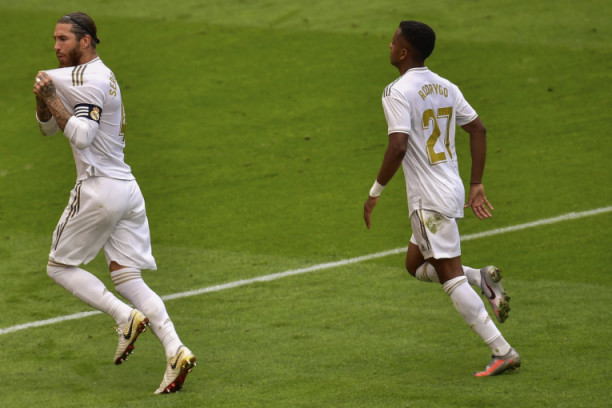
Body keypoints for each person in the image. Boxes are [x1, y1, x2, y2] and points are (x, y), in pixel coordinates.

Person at [33, 12, 196, 393]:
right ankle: (175, 350)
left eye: (63, 39)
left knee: (59, 267)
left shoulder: (88, 80)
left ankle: (124, 317)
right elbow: (47, 128)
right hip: (126, 188)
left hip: (99, 188)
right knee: (127, 276)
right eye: (54, 39)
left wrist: (51, 96)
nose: (56, 46)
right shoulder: (87, 75)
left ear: (85, 41)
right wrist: (43, 101)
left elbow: (82, 136)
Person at [363, 21, 520, 376]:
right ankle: (481, 279)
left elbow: (398, 145)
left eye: (393, 41)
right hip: (450, 189)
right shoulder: (446, 86)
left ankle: (502, 350)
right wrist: (476, 183)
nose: (389, 45)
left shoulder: (396, 91)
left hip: (428, 199)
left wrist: (375, 193)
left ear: (404, 52)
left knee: (450, 279)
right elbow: (477, 128)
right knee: (414, 264)